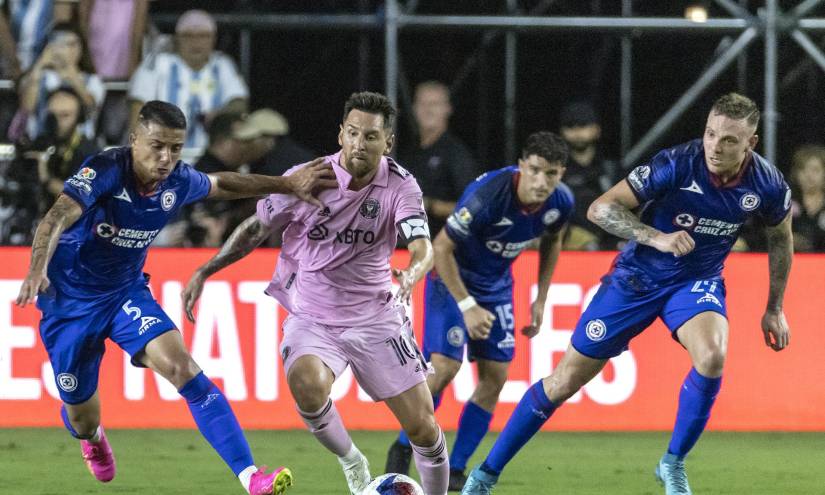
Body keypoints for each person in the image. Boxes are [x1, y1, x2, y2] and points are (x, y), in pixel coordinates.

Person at [462, 93, 793, 495]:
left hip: (695, 282)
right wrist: (657, 237)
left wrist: (774, 308)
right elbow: (601, 209)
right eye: (710, 134)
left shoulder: (768, 183)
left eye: (728, 140)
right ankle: (485, 474)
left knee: (713, 355)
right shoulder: (675, 163)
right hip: (636, 279)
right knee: (564, 381)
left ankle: (672, 463)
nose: (715, 146)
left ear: (751, 144)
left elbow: (781, 239)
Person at [15, 100, 338, 495]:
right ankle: (91, 436)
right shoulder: (104, 170)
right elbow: (57, 216)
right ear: (134, 139)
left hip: (124, 294)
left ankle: (251, 477)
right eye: (156, 146)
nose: (166, 158)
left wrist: (286, 184)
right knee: (81, 416)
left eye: (174, 148)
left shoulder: (177, 181)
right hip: (70, 302)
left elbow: (224, 184)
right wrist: (36, 269)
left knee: (184, 368)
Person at [182, 91, 450, 495]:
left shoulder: (400, 186)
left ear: (387, 143)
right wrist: (207, 268)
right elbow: (257, 229)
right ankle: (352, 461)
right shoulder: (307, 177)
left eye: (372, 137)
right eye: (354, 133)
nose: (360, 144)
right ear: (341, 134)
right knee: (306, 385)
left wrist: (414, 271)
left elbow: (421, 244)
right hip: (313, 317)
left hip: (376, 317)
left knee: (423, 428)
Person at [385, 131, 573, 491]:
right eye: (534, 170)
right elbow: (441, 248)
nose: (541, 181)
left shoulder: (560, 202)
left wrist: (541, 298)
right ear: (521, 166)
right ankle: (402, 447)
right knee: (443, 368)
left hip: (497, 286)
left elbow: (553, 238)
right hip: (451, 279)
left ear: (561, 173)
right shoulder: (489, 195)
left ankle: (456, 471)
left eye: (551, 174)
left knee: (495, 378)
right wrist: (468, 306)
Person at [128, 9, 249, 149]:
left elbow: (239, 102)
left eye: (203, 36)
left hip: (212, 157)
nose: (196, 42)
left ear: (214, 39)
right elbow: (138, 106)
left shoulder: (222, 65)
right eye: (188, 36)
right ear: (177, 38)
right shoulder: (157, 63)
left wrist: (221, 114)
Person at [400, 81, 479, 239]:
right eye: (422, 104)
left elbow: (473, 209)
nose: (428, 109)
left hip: (441, 248)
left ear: (447, 109)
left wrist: (430, 205)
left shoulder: (456, 154)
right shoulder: (409, 152)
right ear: (414, 109)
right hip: (405, 248)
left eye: (434, 104)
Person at [19, 24, 105, 140]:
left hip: (80, 146)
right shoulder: (39, 76)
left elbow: (91, 107)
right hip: (41, 141)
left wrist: (73, 75)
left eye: (74, 44)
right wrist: (40, 65)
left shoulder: (93, 81)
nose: (69, 49)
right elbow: (27, 109)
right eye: (63, 43)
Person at [557, 100, 620, 250]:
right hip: (568, 250)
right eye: (570, 126)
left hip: (612, 250)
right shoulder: (556, 173)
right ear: (562, 132)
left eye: (583, 125)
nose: (577, 132)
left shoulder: (612, 171)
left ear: (596, 130)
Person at [28, 86, 100, 208]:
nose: (57, 122)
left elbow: (81, 197)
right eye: (52, 116)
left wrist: (46, 179)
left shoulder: (89, 151)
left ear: (79, 117)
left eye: (65, 115)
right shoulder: (40, 143)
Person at [788, 144, 825, 252]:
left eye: (816, 170)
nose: (809, 175)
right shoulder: (784, 201)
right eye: (803, 170)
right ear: (796, 174)